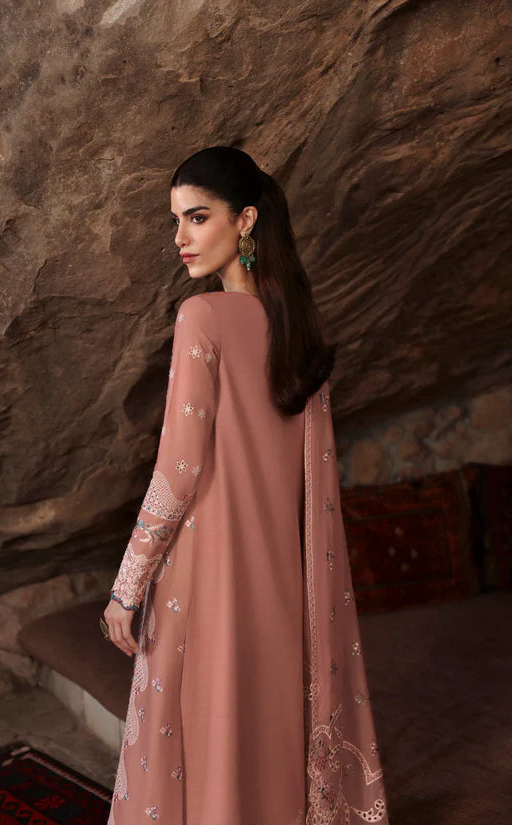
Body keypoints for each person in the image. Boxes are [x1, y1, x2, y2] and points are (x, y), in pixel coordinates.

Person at [103, 146, 389, 825]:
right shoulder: (301, 329)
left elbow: (178, 470)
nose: (180, 237)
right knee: (267, 736)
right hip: (284, 581)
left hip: (207, 581)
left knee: (209, 744)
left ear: (247, 220)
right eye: (176, 220)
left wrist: (127, 587)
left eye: (197, 217)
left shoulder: (202, 318)